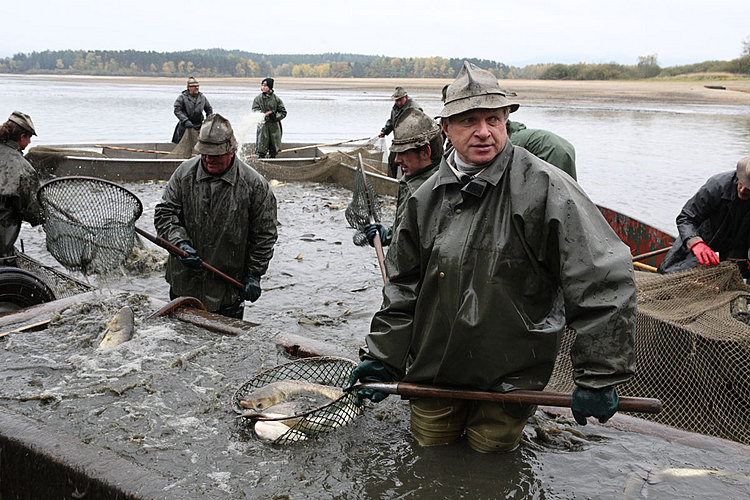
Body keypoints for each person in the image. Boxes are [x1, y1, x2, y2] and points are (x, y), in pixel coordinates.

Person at [347, 62, 637, 453]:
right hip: (433, 374)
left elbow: (602, 281)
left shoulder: (547, 188)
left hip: (509, 380)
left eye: (493, 119)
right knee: (428, 456)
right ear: (446, 129)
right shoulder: (423, 198)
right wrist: (384, 357)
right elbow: (403, 287)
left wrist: (599, 376)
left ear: (506, 122)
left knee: (491, 459)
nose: (483, 131)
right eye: (469, 121)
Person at [154, 113, 278, 319]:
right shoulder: (184, 174)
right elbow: (164, 214)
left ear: (232, 151)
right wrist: (180, 244)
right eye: (205, 153)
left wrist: (254, 273)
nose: (209, 159)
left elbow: (264, 235)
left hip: (227, 287)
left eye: (216, 155)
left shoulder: (255, 185)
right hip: (184, 281)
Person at [363, 108, 442, 248]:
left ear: (425, 152)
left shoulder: (432, 192)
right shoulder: (412, 179)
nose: (397, 160)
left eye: (403, 153)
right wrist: (388, 236)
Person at [658, 157, 750, 277]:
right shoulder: (716, 185)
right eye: (742, 183)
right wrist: (695, 243)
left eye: (749, 188)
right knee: (672, 273)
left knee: (734, 277)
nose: (742, 190)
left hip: (738, 242)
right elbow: (685, 218)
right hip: (703, 236)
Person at [0, 111, 44, 266]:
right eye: (29, 137)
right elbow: (33, 212)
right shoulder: (24, 169)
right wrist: (46, 216)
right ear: (22, 137)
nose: (30, 142)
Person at [506, 120, 577, 180]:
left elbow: (508, 162)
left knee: (557, 183)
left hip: (553, 151)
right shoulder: (523, 133)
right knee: (569, 183)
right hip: (567, 147)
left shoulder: (516, 139)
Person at [378, 87, 423, 178]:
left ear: (405, 97)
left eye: (400, 100)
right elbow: (392, 121)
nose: (398, 102)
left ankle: (406, 182)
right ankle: (391, 182)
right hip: (397, 141)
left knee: (406, 164)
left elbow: (420, 125)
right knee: (392, 162)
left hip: (409, 143)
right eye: (396, 100)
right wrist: (384, 131)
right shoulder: (395, 108)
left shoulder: (414, 108)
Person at [252, 78, 287, 158]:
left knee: (274, 149)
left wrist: (275, 116)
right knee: (261, 148)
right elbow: (255, 111)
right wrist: (263, 116)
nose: (263, 87)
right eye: (262, 85)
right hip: (262, 127)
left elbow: (283, 112)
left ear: (270, 87)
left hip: (274, 127)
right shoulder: (258, 99)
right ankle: (260, 159)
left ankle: (272, 159)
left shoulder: (277, 99)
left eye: (265, 86)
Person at [172, 77, 213, 144]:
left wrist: (208, 120)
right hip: (185, 126)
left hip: (199, 126)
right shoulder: (182, 97)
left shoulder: (202, 97)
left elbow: (209, 110)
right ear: (189, 87)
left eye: (197, 86)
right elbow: (177, 110)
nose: (196, 88)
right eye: (194, 86)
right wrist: (185, 120)